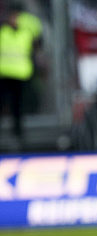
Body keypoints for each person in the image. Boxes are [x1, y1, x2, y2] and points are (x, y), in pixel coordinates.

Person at [0, 1, 42, 148]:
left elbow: (37, 38)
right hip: (4, 74)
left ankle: (18, 134)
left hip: (21, 74)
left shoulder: (26, 32)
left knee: (17, 105)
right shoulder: (3, 32)